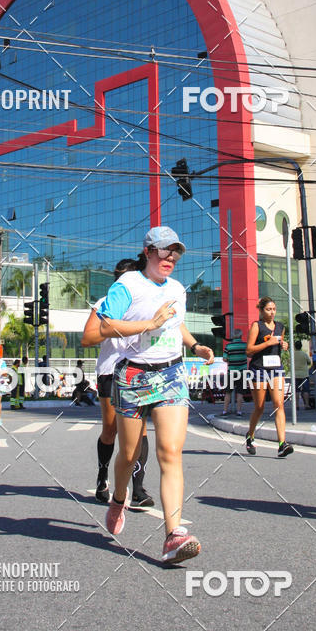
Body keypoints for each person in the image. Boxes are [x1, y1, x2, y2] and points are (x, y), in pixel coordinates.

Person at [97, 226, 214, 564]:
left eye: (176, 252)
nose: (171, 258)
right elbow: (106, 326)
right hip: (134, 375)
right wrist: (149, 323)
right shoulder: (128, 285)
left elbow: (176, 323)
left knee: (170, 453)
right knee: (129, 454)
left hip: (172, 373)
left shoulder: (177, 288)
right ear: (147, 252)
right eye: (165, 251)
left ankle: (173, 536)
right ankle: (119, 498)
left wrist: (194, 344)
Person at [81, 258, 154, 508]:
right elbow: (87, 338)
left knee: (141, 431)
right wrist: (115, 327)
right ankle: (103, 477)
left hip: (139, 371)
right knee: (111, 429)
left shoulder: (146, 303)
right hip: (110, 372)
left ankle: (138, 489)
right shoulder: (104, 304)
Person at [245, 297, 293, 457]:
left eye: (274, 309)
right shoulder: (256, 326)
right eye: (268, 309)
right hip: (258, 369)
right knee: (259, 407)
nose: (272, 312)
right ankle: (250, 436)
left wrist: (283, 345)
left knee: (279, 404)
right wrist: (267, 343)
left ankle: (282, 444)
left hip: (276, 369)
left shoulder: (280, 326)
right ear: (261, 310)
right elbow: (249, 350)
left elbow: (280, 343)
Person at [222, 329, 248, 416]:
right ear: (241, 336)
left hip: (231, 372)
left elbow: (225, 359)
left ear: (233, 336)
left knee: (228, 392)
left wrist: (231, 359)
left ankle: (225, 411)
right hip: (242, 372)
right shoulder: (245, 345)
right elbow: (249, 354)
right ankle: (239, 411)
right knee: (240, 393)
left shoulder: (228, 346)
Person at [293, 340, 312, 410]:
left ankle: (296, 405)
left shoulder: (293, 354)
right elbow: (309, 362)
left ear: (294, 346)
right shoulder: (304, 354)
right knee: (306, 390)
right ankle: (306, 405)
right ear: (301, 346)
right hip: (304, 375)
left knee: (296, 391)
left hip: (295, 375)